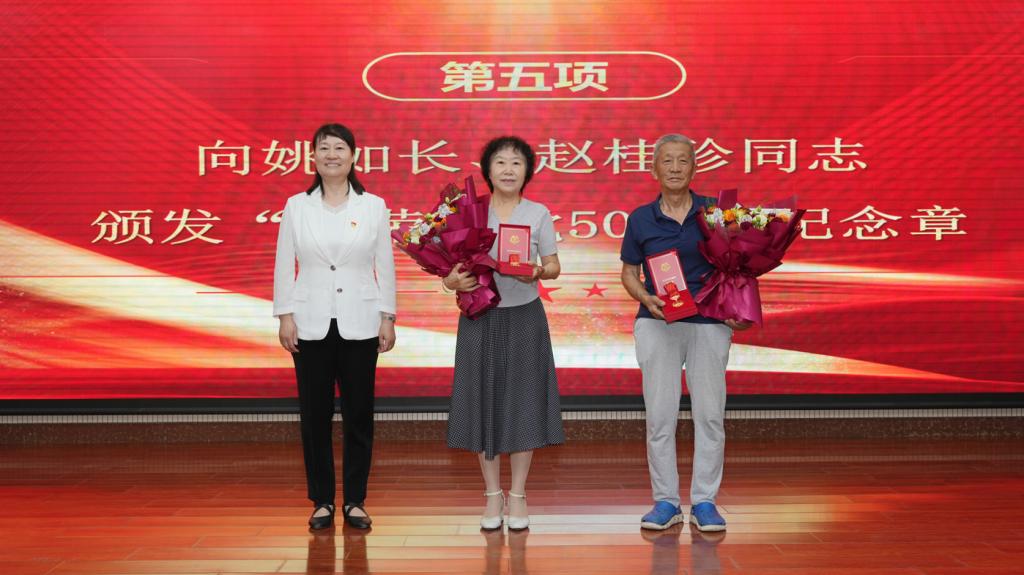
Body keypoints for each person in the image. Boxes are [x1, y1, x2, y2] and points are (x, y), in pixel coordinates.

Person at [619, 134, 753, 532]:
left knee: (709, 415)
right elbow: (629, 273)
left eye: (682, 161)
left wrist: (739, 308)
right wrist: (645, 296)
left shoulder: (716, 213)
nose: (675, 168)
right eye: (667, 161)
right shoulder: (640, 218)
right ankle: (665, 501)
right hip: (657, 322)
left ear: (694, 168)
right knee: (660, 416)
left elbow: (740, 268)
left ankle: (705, 501)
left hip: (709, 323)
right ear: (654, 169)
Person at [273, 123, 396, 530]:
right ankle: (322, 500)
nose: (331, 155)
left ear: (353, 156)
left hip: (361, 320)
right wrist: (285, 314)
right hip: (309, 322)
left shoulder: (373, 206)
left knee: (359, 414)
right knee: (315, 416)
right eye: (323, 148)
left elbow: (384, 265)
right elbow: (284, 263)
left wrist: (388, 316)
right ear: (312, 157)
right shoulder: (297, 206)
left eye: (339, 148)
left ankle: (355, 500)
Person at [444, 135, 565, 531]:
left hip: (525, 317)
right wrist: (450, 282)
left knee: (523, 404)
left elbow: (553, 265)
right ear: (488, 170)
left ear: (527, 171)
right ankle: (492, 495)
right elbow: (449, 269)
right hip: (480, 317)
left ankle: (518, 496)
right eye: (500, 162)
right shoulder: (470, 213)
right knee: (484, 403)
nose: (509, 169)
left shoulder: (538, 213)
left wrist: (538, 270)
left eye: (516, 162)